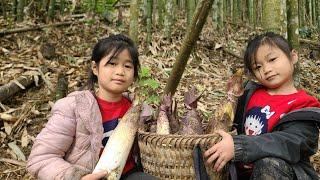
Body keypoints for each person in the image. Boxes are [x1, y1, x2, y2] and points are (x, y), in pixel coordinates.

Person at [27, 34, 156, 180]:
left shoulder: (142, 111)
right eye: (112, 63)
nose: (120, 71)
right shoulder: (73, 108)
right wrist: (77, 177)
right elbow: (41, 158)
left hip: (128, 175)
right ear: (95, 68)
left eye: (127, 66)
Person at [204, 32, 320, 180]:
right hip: (241, 174)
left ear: (293, 57)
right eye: (258, 66)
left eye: (272, 59)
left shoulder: (305, 106)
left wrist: (239, 147)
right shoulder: (249, 94)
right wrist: (231, 99)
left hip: (282, 173)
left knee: (268, 164)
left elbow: (291, 143)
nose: (266, 69)